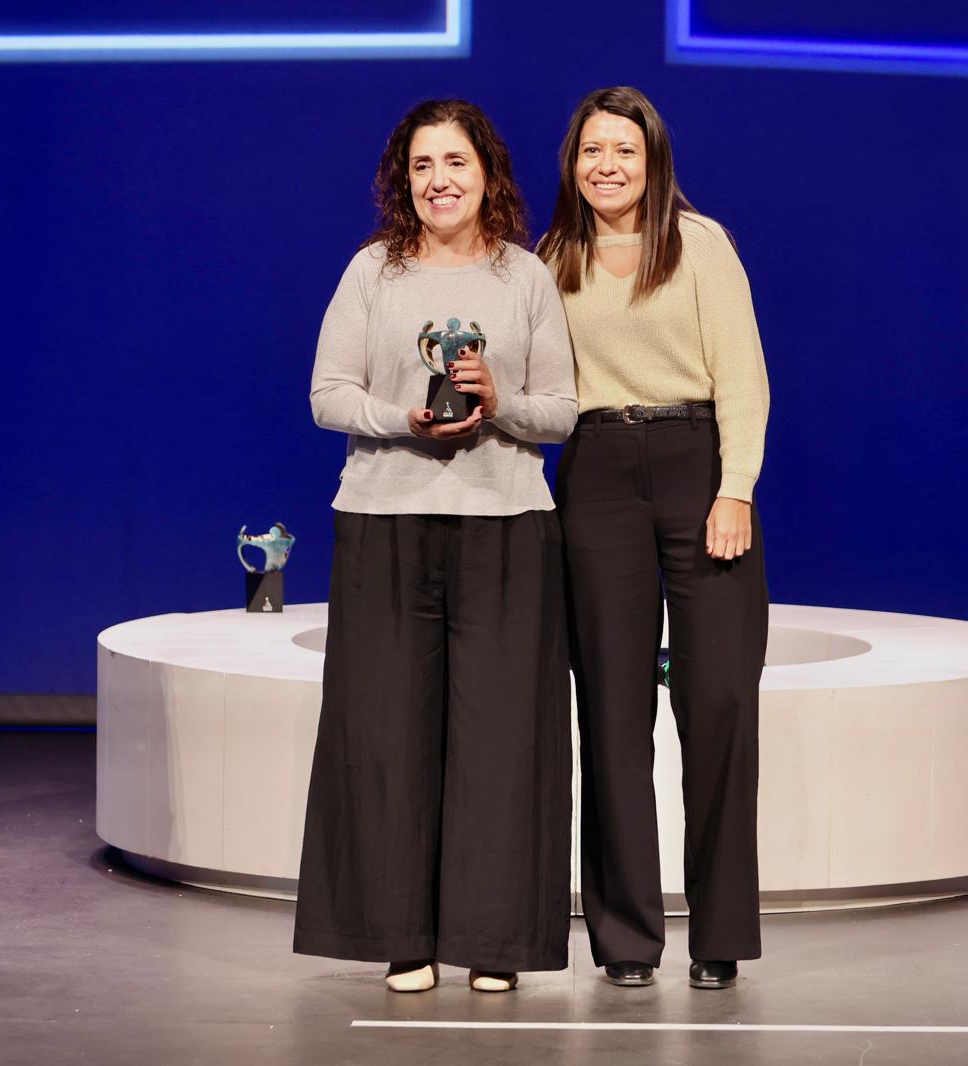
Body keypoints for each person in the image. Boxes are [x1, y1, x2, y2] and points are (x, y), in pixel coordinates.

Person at [293, 99, 577, 993]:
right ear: (401, 179)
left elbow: (562, 411)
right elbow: (327, 393)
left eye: (455, 162)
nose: (439, 181)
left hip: (506, 529)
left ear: (487, 173)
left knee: (502, 738)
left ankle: (495, 941)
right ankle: (401, 936)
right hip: (384, 522)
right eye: (421, 166)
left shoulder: (523, 277)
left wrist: (498, 402)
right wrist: (399, 421)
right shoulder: (372, 271)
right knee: (384, 737)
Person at [537, 86, 770, 990]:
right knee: (612, 717)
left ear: (652, 158)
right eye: (592, 150)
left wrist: (734, 488)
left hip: (694, 464)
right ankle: (626, 939)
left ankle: (719, 936)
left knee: (716, 708)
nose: (608, 166)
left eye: (624, 151)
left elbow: (743, 376)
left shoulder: (701, 244)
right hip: (594, 478)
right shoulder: (551, 257)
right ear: (573, 162)